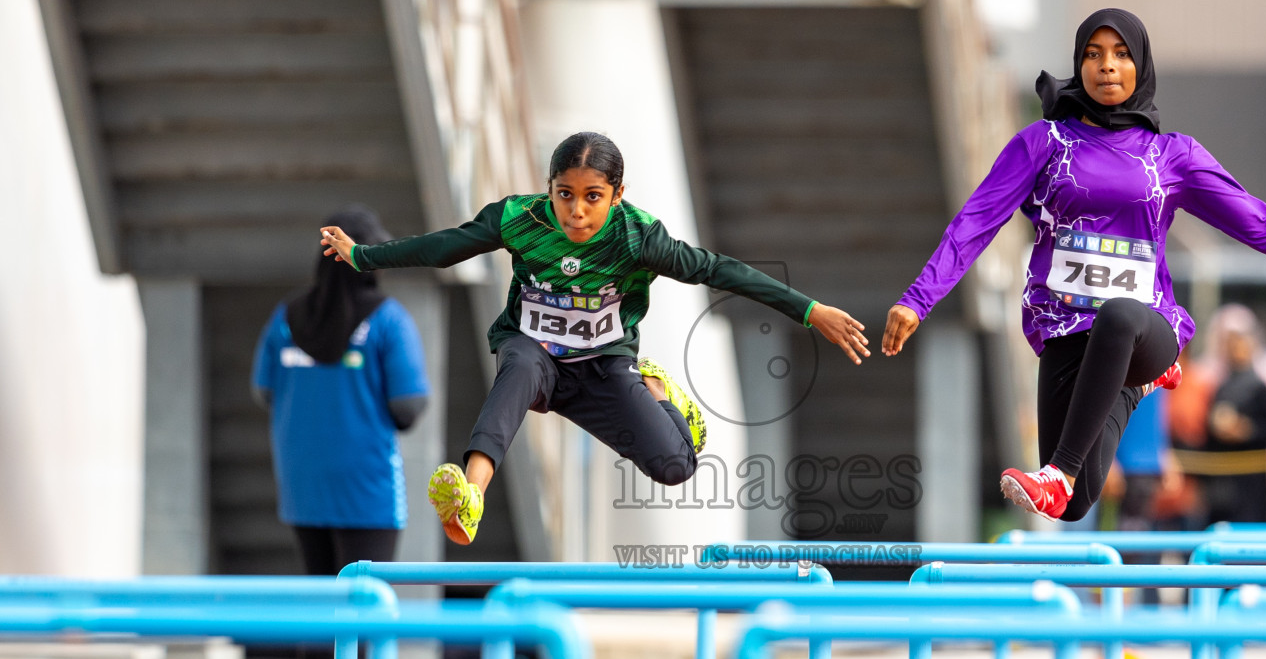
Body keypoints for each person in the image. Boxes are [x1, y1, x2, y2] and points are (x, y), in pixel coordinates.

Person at [881, 8, 1266, 520]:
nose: (1107, 66)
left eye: (1122, 55)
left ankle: (1064, 466)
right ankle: (1125, 403)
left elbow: (1263, 225)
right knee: (1076, 506)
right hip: (1067, 329)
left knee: (1120, 318)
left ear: (1142, 66)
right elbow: (975, 221)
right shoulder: (1042, 144)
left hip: (1146, 325)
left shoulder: (1171, 155)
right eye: (1093, 54)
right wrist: (917, 299)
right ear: (1079, 65)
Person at [320, 132, 868, 544]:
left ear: (617, 195)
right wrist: (363, 255)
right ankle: (470, 496)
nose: (576, 212)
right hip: (534, 351)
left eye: (592, 197)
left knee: (675, 467)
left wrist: (809, 310)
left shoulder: (638, 236)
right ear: (548, 188)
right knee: (518, 367)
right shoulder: (519, 218)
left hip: (603, 365)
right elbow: (444, 247)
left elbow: (718, 270)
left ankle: (665, 399)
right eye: (564, 195)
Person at [252, 205, 430, 659]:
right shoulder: (387, 320)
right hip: (367, 488)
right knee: (364, 606)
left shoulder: (285, 317)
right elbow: (406, 406)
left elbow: (264, 390)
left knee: (317, 598)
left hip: (303, 484)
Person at [1202, 318, 1266, 525]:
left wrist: (1246, 430)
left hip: (1251, 474)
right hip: (1224, 473)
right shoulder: (1221, 386)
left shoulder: (1260, 388)